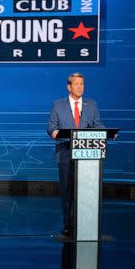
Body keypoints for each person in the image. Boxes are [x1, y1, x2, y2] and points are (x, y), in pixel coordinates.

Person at [47, 72, 104, 237]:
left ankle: (86, 223)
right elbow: (51, 126)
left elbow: (97, 124)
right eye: (77, 84)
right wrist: (54, 132)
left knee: (86, 189)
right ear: (69, 87)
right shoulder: (58, 105)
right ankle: (68, 224)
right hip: (65, 151)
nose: (80, 87)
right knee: (67, 190)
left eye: (82, 84)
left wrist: (107, 133)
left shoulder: (91, 104)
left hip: (86, 154)